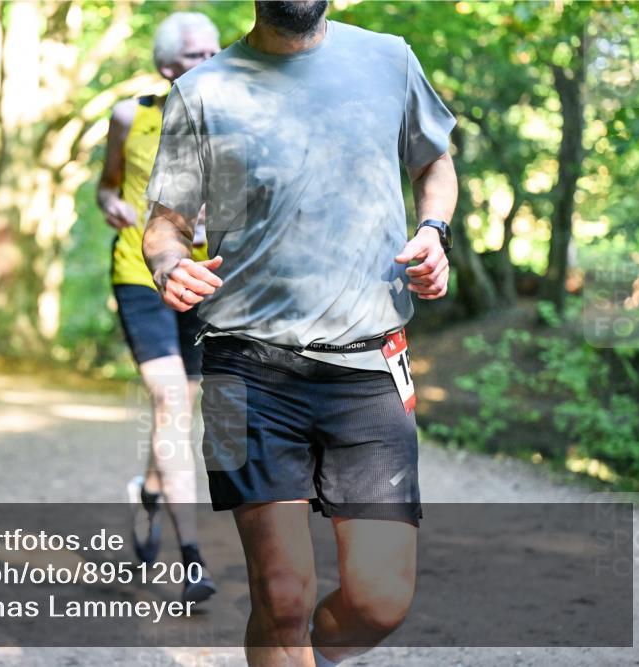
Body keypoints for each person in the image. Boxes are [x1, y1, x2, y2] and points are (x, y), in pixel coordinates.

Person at [142, 1, 457, 665]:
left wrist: (433, 233)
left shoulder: (388, 59)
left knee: (380, 600)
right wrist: (169, 263)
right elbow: (165, 221)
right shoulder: (203, 90)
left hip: (369, 363)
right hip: (239, 365)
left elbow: (434, 163)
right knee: (281, 596)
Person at [96, 11, 220, 604]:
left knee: (178, 413)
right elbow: (108, 184)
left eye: (217, 50)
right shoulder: (131, 117)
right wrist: (113, 206)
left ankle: (148, 493)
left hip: (201, 279)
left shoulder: (233, 120)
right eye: (198, 54)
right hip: (138, 274)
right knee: (171, 401)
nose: (212, 60)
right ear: (167, 67)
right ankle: (191, 556)